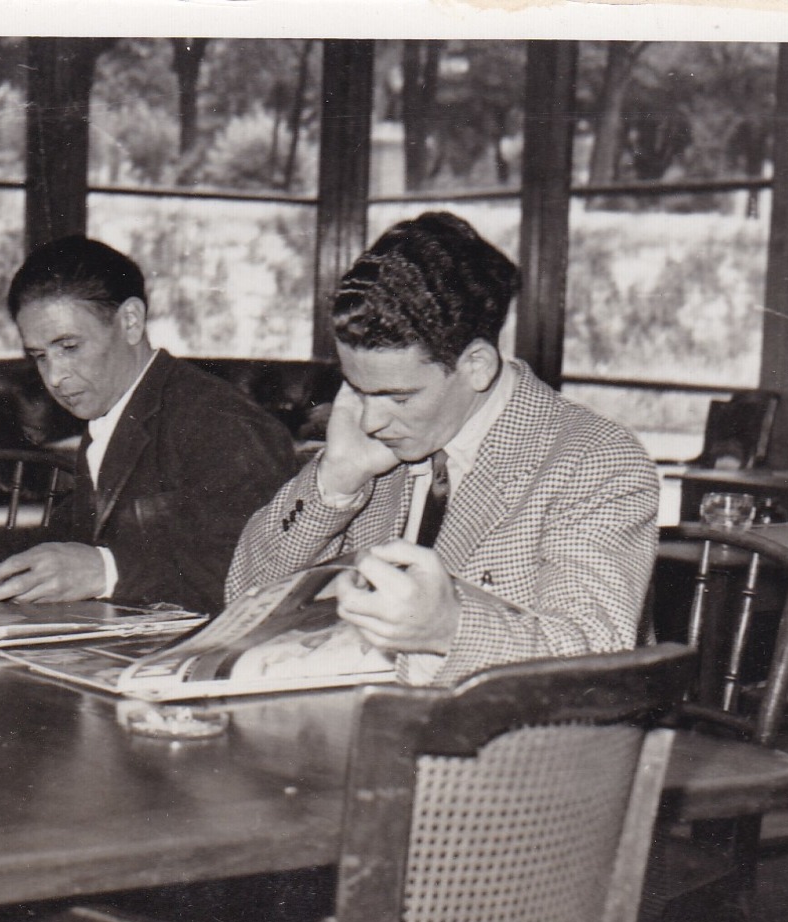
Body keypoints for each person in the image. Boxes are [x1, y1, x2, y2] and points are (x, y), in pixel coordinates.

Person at [226, 212, 659, 687]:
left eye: (399, 397)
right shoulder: (375, 444)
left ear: (476, 365)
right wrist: (336, 482)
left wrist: (449, 630)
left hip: (506, 752)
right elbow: (241, 599)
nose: (371, 421)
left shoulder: (593, 459)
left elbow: (595, 661)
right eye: (357, 388)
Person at [0, 235, 297, 615]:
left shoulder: (220, 422)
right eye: (40, 356)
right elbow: (57, 546)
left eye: (69, 346)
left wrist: (106, 570)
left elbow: (264, 572)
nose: (55, 377)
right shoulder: (116, 412)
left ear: (130, 321)